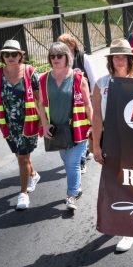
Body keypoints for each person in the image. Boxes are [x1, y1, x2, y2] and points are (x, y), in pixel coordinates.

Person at [92, 39, 133, 252]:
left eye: (123, 56)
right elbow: (96, 117)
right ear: (111, 60)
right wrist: (96, 145)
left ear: (130, 59)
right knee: (113, 185)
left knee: (129, 185)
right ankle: (119, 222)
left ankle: (128, 231)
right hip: (110, 141)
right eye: (116, 56)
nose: (120, 60)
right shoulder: (101, 83)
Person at [37, 42, 92, 211]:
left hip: (78, 129)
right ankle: (76, 186)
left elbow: (88, 105)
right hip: (58, 130)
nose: (55, 59)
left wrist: (93, 125)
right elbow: (39, 103)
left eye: (59, 56)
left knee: (73, 163)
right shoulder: (44, 79)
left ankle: (71, 196)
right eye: (52, 56)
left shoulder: (78, 78)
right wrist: (44, 124)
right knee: (67, 161)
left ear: (67, 57)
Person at [0, 40, 41, 210]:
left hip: (28, 122)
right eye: (7, 54)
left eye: (14, 54)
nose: (10, 57)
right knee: (19, 154)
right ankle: (33, 174)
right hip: (8, 124)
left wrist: (44, 122)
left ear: (20, 55)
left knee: (22, 157)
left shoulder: (30, 72)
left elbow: (39, 99)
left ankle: (24, 194)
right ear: (2, 56)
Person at [57, 33, 97, 173]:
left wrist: (92, 99)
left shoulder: (83, 58)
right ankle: (81, 154)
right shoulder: (60, 60)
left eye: (65, 45)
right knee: (71, 129)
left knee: (83, 128)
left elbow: (93, 79)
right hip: (67, 102)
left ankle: (81, 161)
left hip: (84, 101)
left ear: (72, 45)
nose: (62, 49)